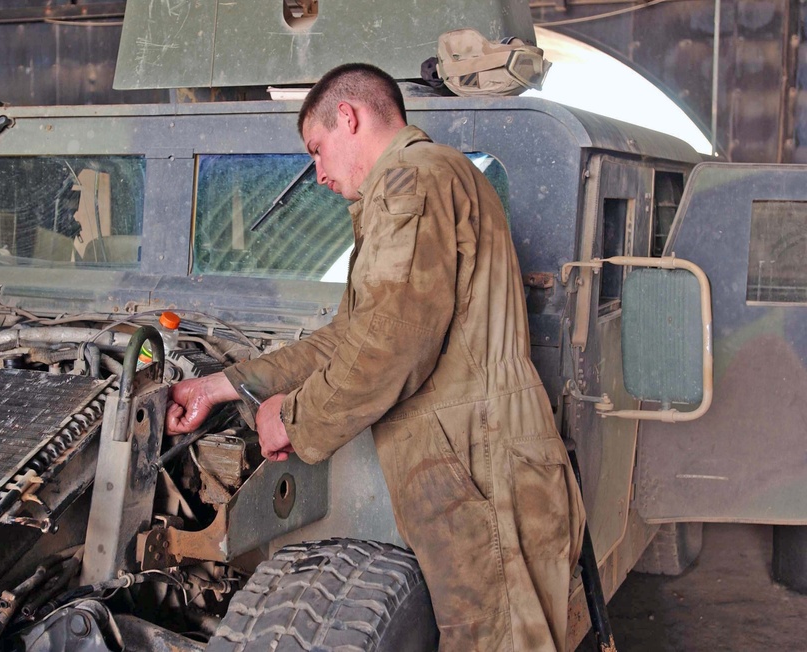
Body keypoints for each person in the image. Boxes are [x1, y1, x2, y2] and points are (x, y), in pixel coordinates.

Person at [166, 63, 585, 651]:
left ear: (349, 116)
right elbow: (351, 337)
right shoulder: (421, 184)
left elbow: (390, 347)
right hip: (470, 457)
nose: (317, 174)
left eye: (317, 149)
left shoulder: (414, 181)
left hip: (479, 460)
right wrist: (223, 386)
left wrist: (294, 419)